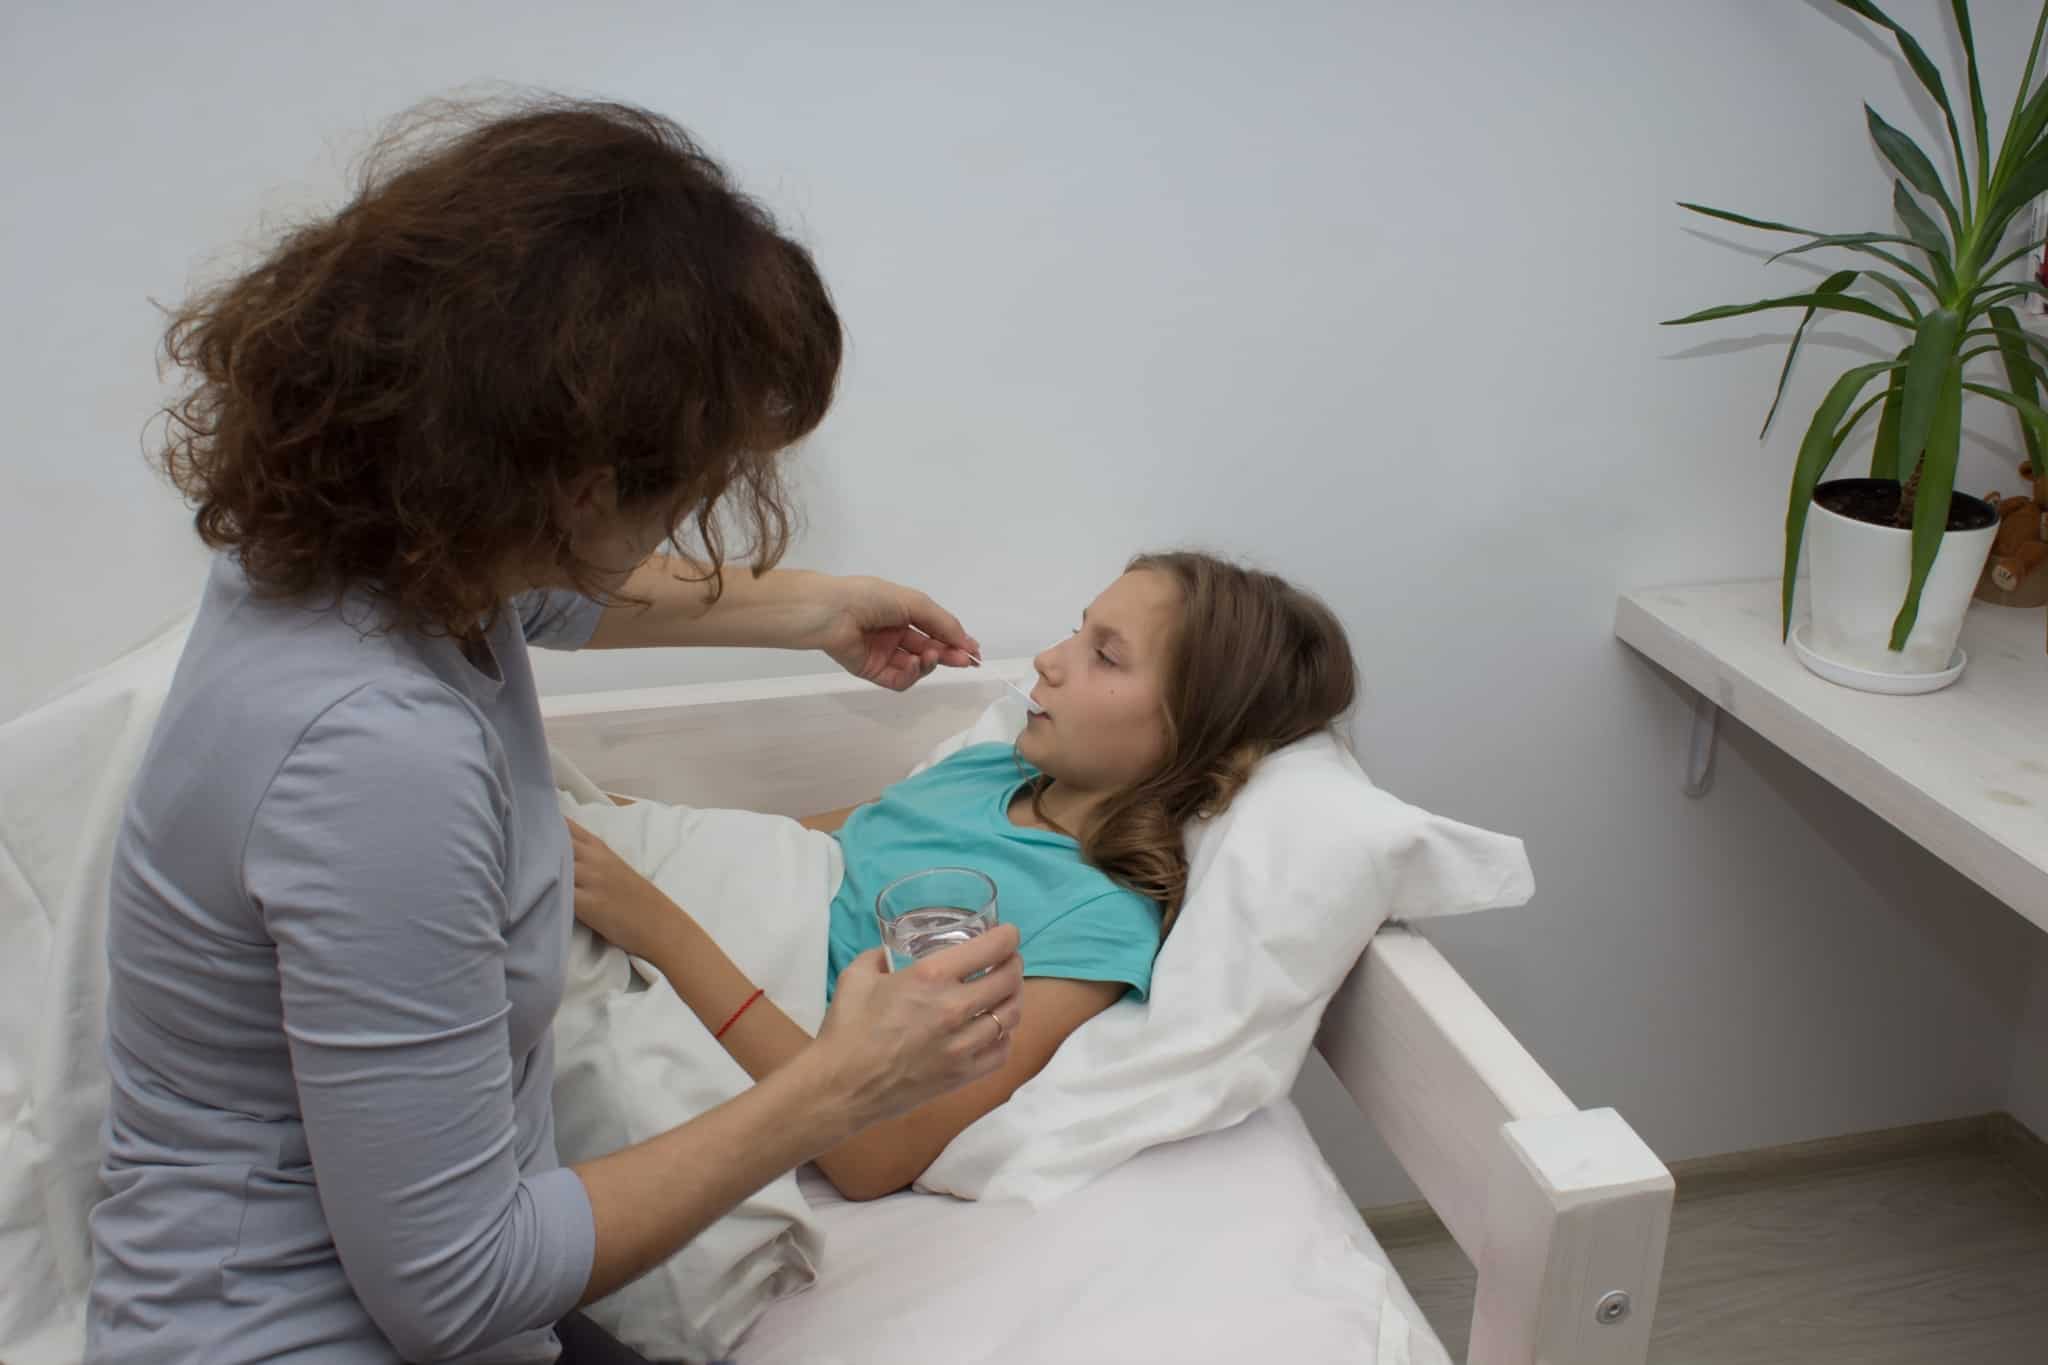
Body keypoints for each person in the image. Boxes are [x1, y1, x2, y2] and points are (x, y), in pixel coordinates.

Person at [86, 96, 1024, 1365]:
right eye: (694, 482)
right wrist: (839, 1084)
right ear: (575, 484)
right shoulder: (377, 759)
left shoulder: (334, 554)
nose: (698, 514)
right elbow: (458, 1285)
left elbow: (547, 593)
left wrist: (814, 610)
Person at [566, 550, 1359, 1200]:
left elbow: (872, 1156)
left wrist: (658, 926)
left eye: (1105, 655)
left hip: (710, 976)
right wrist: (612, 826)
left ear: (1196, 733)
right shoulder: (987, 768)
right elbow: (785, 851)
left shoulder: (1096, 919)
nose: (1049, 661)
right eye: (1076, 632)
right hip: (685, 899)